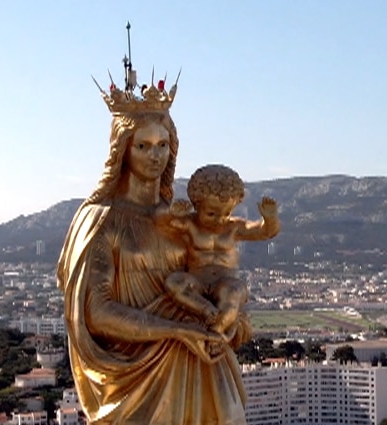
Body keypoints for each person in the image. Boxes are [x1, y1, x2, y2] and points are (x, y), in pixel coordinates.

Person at [57, 79, 248, 424]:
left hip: (205, 366)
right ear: (122, 149)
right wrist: (178, 331)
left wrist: (230, 320)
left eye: (163, 144)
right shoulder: (101, 220)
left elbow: (211, 279)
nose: (155, 155)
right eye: (143, 145)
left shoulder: (180, 219)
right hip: (137, 382)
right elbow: (95, 312)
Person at [156, 164, 280, 354]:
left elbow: (264, 232)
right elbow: (163, 225)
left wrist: (270, 219)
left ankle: (216, 330)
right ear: (197, 206)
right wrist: (174, 213)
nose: (219, 220)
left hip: (225, 282)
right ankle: (205, 309)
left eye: (226, 213)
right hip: (196, 283)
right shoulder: (190, 223)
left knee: (234, 293)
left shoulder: (233, 227)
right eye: (211, 213)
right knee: (174, 282)